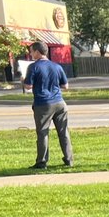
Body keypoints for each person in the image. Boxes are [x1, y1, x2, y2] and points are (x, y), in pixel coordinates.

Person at [22, 40, 73, 169]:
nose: (31, 54)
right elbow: (65, 86)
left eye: (31, 51)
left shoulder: (33, 67)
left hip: (43, 104)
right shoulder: (57, 66)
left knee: (43, 133)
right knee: (64, 132)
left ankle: (42, 161)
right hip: (60, 102)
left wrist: (23, 80)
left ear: (37, 52)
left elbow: (28, 86)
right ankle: (69, 159)